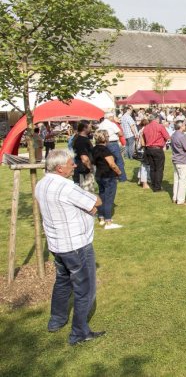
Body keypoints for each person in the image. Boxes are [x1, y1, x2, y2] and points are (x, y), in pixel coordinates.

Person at [35, 149, 105, 346]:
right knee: (85, 289)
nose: (74, 166)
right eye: (70, 163)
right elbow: (96, 201)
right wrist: (89, 206)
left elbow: (88, 205)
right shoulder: (66, 187)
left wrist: (87, 207)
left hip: (57, 245)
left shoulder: (41, 184)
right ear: (59, 168)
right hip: (76, 245)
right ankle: (79, 333)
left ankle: (56, 320)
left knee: (63, 282)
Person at [92, 130, 123, 229]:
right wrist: (119, 172)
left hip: (99, 175)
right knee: (109, 197)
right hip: (108, 175)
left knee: (102, 196)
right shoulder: (105, 150)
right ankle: (108, 221)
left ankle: (101, 217)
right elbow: (112, 164)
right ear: (105, 138)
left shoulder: (94, 149)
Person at [141, 115, 170, 192]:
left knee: (152, 168)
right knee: (159, 168)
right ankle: (157, 187)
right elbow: (167, 137)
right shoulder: (160, 126)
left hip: (149, 149)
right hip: (157, 149)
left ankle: (154, 185)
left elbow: (144, 138)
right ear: (156, 119)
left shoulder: (146, 127)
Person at [98, 112, 127, 182]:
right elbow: (120, 133)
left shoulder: (101, 124)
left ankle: (111, 176)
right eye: (113, 117)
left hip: (103, 143)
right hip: (112, 143)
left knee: (108, 161)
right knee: (118, 160)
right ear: (110, 117)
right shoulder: (112, 124)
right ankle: (122, 177)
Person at [171, 120, 186, 205]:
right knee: (183, 181)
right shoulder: (181, 136)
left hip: (176, 159)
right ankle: (181, 200)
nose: (185, 126)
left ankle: (175, 197)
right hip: (182, 160)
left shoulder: (174, 134)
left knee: (177, 180)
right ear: (180, 126)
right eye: (183, 125)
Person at [72, 122, 96, 193]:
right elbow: (84, 157)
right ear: (84, 128)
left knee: (87, 189)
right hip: (83, 168)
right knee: (86, 191)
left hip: (83, 167)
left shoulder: (81, 138)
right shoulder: (82, 140)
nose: (91, 129)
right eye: (89, 127)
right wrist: (90, 167)